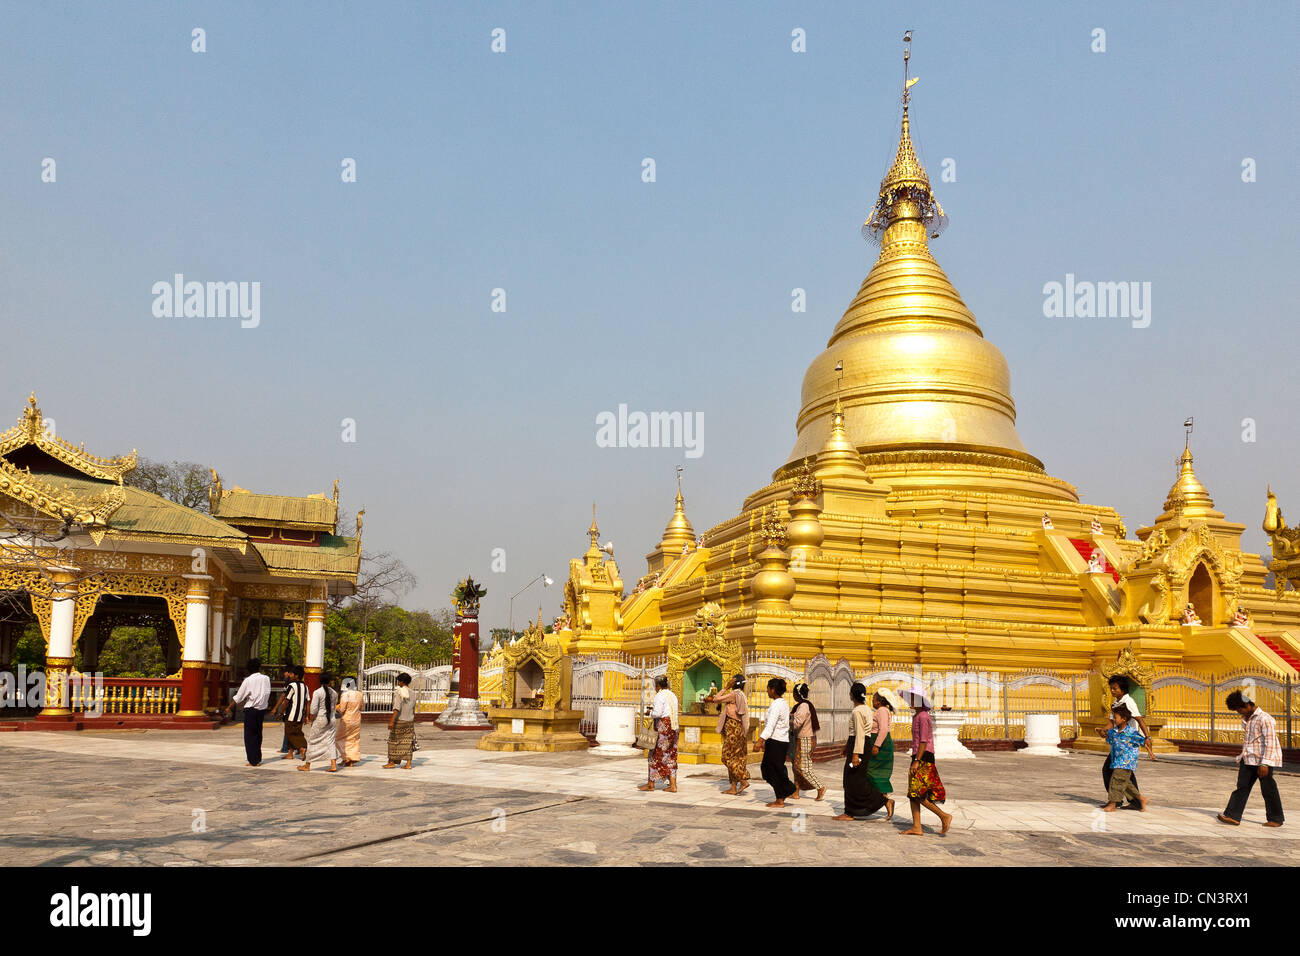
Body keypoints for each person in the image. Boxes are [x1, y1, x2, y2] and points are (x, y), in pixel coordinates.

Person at [1217, 689, 1284, 827]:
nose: (1239, 713)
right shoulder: (1247, 719)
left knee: (1268, 790)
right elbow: (1250, 741)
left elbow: (1270, 742)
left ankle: (1276, 819)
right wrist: (1242, 757)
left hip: (1262, 761)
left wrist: (1265, 764)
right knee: (1242, 787)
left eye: (1239, 709)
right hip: (1248, 760)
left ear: (1247, 705)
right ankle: (1232, 816)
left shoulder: (1265, 719)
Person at [832, 682, 891, 821]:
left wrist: (855, 754)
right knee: (857, 779)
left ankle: (851, 812)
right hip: (862, 745)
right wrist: (847, 747)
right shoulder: (866, 709)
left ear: (852, 695)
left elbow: (859, 733)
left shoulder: (857, 711)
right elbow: (859, 732)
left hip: (859, 746)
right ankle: (876, 803)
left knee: (850, 778)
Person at [900, 687, 952, 835]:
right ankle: (917, 826)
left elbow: (923, 741)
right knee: (913, 793)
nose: (909, 701)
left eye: (912, 698)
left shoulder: (923, 716)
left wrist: (917, 760)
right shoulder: (917, 716)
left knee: (919, 793)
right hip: (918, 755)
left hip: (923, 756)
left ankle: (944, 816)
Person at [1102, 675, 1153, 806]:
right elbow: (1112, 722)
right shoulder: (1115, 703)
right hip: (1118, 744)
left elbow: (1139, 719)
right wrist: (1103, 730)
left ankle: (1115, 801)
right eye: (1111, 688)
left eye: (1115, 688)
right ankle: (1135, 801)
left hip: (1128, 744)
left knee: (1110, 770)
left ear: (1122, 689)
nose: (1112, 691)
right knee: (1124, 773)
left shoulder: (1128, 702)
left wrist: (1147, 737)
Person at [1096, 703, 1148, 812]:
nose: (1114, 720)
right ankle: (1141, 799)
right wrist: (1101, 731)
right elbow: (1106, 736)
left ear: (1124, 719)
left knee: (1116, 781)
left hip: (1126, 761)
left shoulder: (1131, 732)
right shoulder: (1114, 732)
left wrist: (1150, 749)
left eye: (1115, 718)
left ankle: (1113, 804)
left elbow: (1144, 742)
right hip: (1116, 760)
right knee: (1126, 783)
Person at [705, 674, 749, 795]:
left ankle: (742, 779)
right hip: (739, 729)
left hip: (733, 728)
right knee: (736, 757)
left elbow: (715, 699)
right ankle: (733, 787)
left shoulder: (734, 694)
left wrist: (725, 687)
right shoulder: (742, 695)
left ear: (733, 683)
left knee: (726, 757)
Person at [756, 678, 797, 808]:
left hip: (776, 741)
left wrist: (760, 740)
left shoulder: (776, 705)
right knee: (773, 769)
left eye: (768, 688)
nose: (767, 690)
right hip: (780, 741)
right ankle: (781, 796)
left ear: (773, 690)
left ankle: (788, 789)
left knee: (770, 770)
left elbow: (771, 725)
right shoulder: (783, 703)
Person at [224, 658, 271, 767]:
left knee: (250, 736)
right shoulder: (266, 679)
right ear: (259, 668)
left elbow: (239, 697)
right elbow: (267, 693)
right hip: (261, 710)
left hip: (251, 710)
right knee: (258, 734)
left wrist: (229, 707)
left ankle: (252, 760)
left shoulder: (248, 680)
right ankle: (257, 758)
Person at [639, 675, 679, 792]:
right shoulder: (673, 695)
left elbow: (657, 713)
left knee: (654, 754)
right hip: (674, 726)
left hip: (664, 726)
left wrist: (649, 713)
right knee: (671, 754)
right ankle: (673, 785)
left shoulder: (660, 695)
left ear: (658, 685)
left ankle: (651, 784)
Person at [788, 682, 826, 801]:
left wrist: (786, 719)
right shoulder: (803, 705)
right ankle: (796, 791)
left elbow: (797, 723)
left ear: (797, 694)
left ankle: (820, 787)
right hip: (800, 739)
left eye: (794, 693)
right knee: (796, 767)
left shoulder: (803, 706)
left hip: (805, 739)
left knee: (802, 767)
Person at [299, 672, 340, 772]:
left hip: (321, 719)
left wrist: (312, 720)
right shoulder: (334, 693)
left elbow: (313, 710)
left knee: (313, 741)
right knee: (330, 741)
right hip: (332, 719)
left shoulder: (317, 692)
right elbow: (334, 707)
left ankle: (307, 765)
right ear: (330, 681)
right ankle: (333, 765)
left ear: (320, 681)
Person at [271, 665, 308, 761]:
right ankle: (290, 753)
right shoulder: (305, 686)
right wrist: (306, 715)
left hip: (291, 714)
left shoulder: (292, 686)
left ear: (296, 676)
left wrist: (280, 712)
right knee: (296, 731)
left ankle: (302, 748)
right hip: (300, 715)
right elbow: (308, 702)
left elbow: (286, 701)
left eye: (292, 674)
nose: (290, 675)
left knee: (290, 734)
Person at [384, 672, 417, 769]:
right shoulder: (413, 693)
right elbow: (413, 708)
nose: (398, 683)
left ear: (402, 682)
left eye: (399, 681)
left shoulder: (399, 692)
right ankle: (408, 764)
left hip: (399, 720)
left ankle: (392, 762)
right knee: (407, 742)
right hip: (409, 721)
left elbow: (396, 708)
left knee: (393, 741)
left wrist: (391, 721)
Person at [868, 690, 896, 799]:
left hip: (881, 744)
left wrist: (876, 745)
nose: (872, 702)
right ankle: (883, 799)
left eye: (873, 700)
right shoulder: (882, 710)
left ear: (879, 702)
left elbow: (883, 729)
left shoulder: (882, 711)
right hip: (879, 742)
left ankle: (885, 799)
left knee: (873, 771)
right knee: (875, 772)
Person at [334, 677, 364, 766]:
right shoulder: (359, 694)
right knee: (354, 739)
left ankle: (346, 757)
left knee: (338, 739)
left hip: (347, 719)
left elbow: (342, 709)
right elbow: (362, 707)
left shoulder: (345, 695)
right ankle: (352, 759)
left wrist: (336, 707)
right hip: (357, 719)